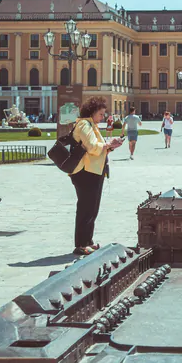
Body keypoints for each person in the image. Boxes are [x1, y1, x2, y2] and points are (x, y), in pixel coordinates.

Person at [69, 97, 124, 255]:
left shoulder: (91, 125)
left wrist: (110, 147)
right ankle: (81, 244)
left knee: (92, 209)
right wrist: (109, 144)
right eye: (100, 114)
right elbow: (92, 147)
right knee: (86, 209)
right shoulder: (84, 125)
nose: (102, 117)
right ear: (92, 112)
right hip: (85, 172)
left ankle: (88, 241)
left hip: (94, 171)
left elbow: (97, 149)